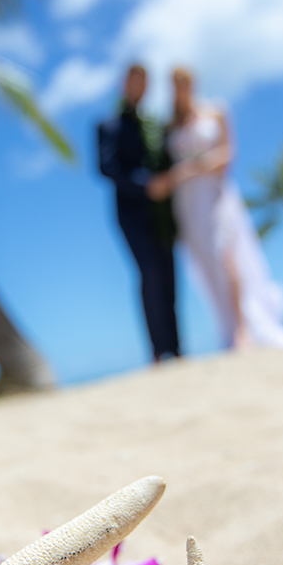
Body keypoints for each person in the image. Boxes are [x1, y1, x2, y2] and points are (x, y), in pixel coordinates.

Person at [148, 69, 283, 350]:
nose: (180, 89)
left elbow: (227, 155)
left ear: (193, 83)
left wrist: (191, 169)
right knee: (206, 264)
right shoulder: (169, 126)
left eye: (184, 82)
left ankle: (243, 330)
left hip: (215, 194)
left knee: (227, 257)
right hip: (187, 203)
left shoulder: (216, 111)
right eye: (175, 85)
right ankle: (229, 328)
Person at [97, 65, 180, 361]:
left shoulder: (154, 125)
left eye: (145, 82)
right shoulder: (109, 125)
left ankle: (176, 348)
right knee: (150, 274)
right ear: (125, 84)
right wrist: (146, 185)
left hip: (162, 212)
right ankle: (159, 351)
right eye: (135, 81)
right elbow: (106, 168)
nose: (140, 87)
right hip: (131, 212)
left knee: (169, 274)